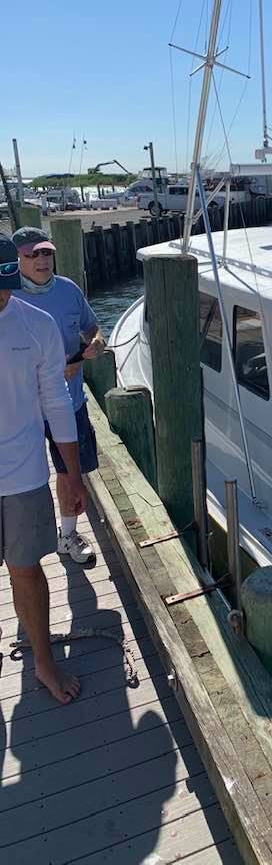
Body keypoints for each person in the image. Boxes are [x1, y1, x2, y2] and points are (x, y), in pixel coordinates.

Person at [0, 233, 86, 703]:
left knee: (26, 570)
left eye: (6, 284)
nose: (3, 295)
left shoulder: (36, 325)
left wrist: (70, 473)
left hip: (24, 474)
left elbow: (56, 400)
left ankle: (44, 661)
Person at [12, 225, 105, 563]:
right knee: (23, 474)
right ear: (16, 259)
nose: (41, 260)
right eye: (31, 254)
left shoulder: (68, 290)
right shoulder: (8, 297)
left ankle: (67, 535)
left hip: (69, 402)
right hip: (23, 409)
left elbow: (93, 327)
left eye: (46, 252)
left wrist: (94, 342)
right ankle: (23, 541)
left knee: (69, 471)